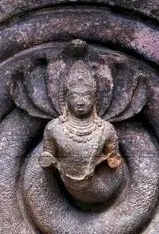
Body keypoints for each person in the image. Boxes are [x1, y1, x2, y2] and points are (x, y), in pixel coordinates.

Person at [39, 60, 121, 191]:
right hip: (62, 186)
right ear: (65, 99)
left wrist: (110, 159)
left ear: (95, 100)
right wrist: (47, 159)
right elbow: (48, 153)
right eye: (74, 96)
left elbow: (114, 158)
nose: (80, 102)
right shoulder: (53, 128)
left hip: (102, 187)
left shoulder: (106, 129)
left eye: (86, 97)